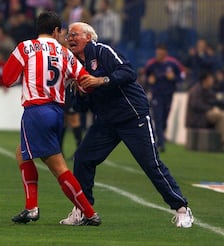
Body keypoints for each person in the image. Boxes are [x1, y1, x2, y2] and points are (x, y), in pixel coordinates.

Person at [59, 22, 194, 228]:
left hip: (133, 117)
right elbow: (80, 106)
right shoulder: (73, 65)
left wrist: (100, 81)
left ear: (88, 37)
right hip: (106, 121)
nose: (70, 38)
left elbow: (129, 72)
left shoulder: (103, 51)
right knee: (83, 158)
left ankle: (182, 209)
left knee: (151, 165)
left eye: (75, 34)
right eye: (68, 35)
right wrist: (79, 92)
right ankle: (83, 210)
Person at [2, 11, 101, 226]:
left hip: (36, 110)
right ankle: (31, 208)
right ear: (56, 30)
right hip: (57, 112)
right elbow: (85, 80)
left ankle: (89, 213)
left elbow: (7, 79)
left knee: (58, 167)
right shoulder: (65, 53)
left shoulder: (25, 47)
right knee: (22, 153)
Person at [144, 43, 185, 152]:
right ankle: (161, 143)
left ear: (165, 53)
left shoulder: (173, 63)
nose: (159, 55)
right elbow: (145, 76)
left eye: (161, 53)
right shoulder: (152, 64)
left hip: (169, 94)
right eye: (158, 52)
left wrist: (174, 78)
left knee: (164, 118)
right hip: (156, 94)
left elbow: (182, 75)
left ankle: (160, 138)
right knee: (158, 117)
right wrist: (149, 80)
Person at [186, 72, 224, 147]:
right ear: (205, 80)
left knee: (221, 115)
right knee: (221, 116)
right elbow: (196, 105)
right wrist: (210, 107)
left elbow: (215, 101)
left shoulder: (209, 90)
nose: (212, 81)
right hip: (198, 117)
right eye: (211, 79)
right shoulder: (196, 90)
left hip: (206, 114)